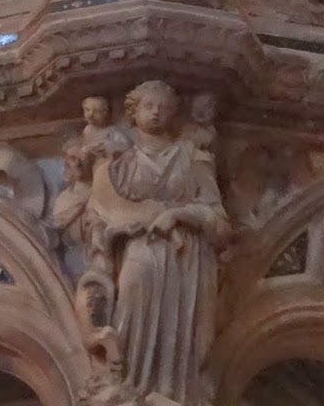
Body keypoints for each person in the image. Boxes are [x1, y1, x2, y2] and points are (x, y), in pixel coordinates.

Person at [84, 82, 230, 404]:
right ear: (132, 112)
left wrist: (179, 214)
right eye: (148, 106)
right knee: (130, 297)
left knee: (183, 341)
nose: (156, 113)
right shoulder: (120, 163)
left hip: (187, 259)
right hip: (139, 250)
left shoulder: (192, 157)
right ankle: (126, 387)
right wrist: (111, 236)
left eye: (164, 107)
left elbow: (219, 222)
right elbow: (98, 213)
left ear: (175, 114)